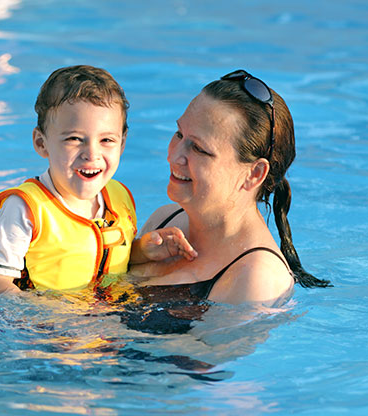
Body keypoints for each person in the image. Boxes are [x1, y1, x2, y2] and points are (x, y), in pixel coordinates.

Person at [0, 65, 196, 296]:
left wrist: (143, 251)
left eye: (106, 140)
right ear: (41, 143)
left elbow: (106, 259)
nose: (91, 154)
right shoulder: (26, 210)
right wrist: (40, 318)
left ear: (122, 143)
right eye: (74, 139)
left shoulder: (119, 198)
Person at [129, 69, 331, 307]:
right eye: (179, 134)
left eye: (199, 149)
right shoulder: (164, 221)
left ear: (254, 174)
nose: (174, 157)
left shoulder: (257, 278)